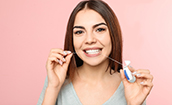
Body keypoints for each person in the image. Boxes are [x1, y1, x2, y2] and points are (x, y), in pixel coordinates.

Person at [37, 0, 153, 105]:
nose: (89, 40)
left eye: (99, 29)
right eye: (79, 32)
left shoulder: (131, 86)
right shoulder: (56, 81)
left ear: (113, 34)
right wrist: (53, 87)